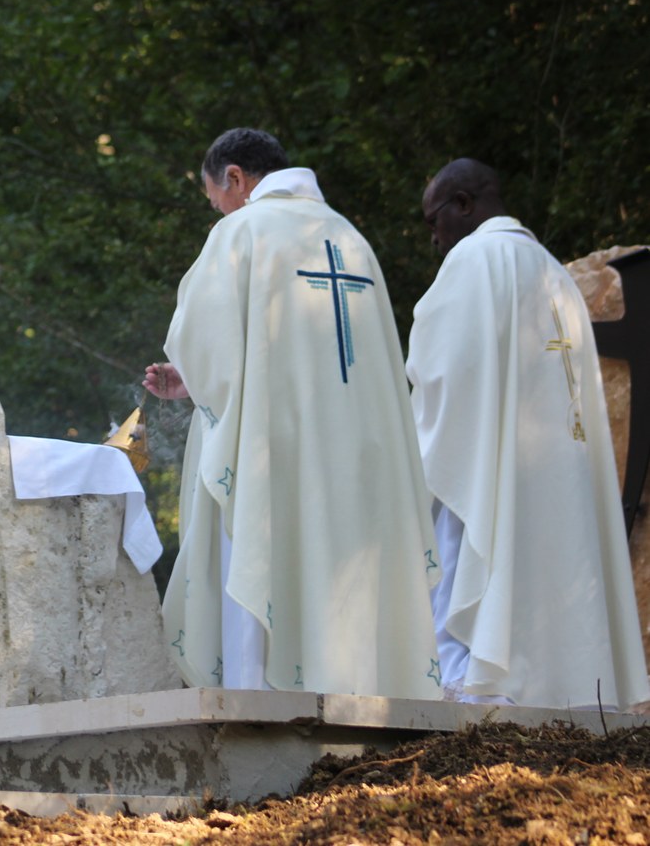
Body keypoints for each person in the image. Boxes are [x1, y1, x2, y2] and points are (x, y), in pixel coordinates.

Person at [144, 128, 441, 698]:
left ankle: (262, 706)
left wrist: (195, 377)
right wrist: (195, 380)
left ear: (235, 178)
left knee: (270, 558)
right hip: (360, 454)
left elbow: (204, 341)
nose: (218, 210)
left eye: (215, 197)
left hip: (276, 451)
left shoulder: (242, 231)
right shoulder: (351, 239)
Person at [406, 157, 649, 709]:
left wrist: (415, 451)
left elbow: (441, 371)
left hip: (489, 465)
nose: (435, 239)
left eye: (433, 221)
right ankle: (561, 692)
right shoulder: (553, 272)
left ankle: (477, 688)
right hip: (558, 467)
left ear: (463, 204)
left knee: (469, 558)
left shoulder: (474, 260)